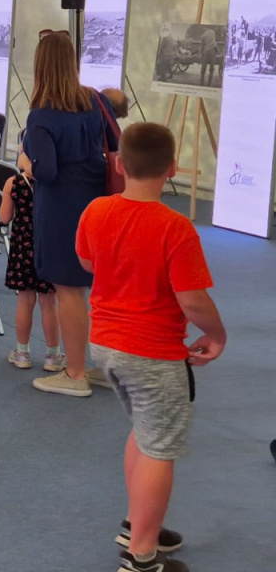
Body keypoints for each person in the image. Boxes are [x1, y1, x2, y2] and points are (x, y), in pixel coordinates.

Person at [80, 123, 225, 572]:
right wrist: (217, 335)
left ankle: (137, 524)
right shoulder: (175, 228)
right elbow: (192, 300)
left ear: (119, 164)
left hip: (105, 344)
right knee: (160, 448)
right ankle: (141, 557)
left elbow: (87, 260)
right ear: (172, 168)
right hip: (152, 353)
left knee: (145, 433)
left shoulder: (97, 209)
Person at [24, 31, 117, 398]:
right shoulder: (96, 100)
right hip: (99, 201)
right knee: (100, 288)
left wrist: (27, 162)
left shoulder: (41, 114)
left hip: (62, 207)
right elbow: (116, 144)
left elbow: (45, 171)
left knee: (69, 290)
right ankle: (105, 367)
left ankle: (75, 372)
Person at [0, 150, 62, 372]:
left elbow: (4, 218)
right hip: (50, 246)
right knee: (49, 302)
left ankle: (22, 352)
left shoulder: (13, 183)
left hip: (22, 248)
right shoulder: (57, 183)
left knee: (25, 300)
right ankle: (53, 355)